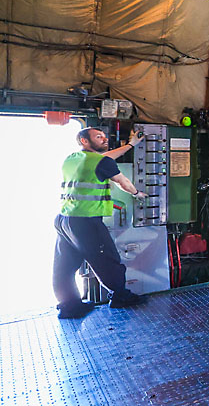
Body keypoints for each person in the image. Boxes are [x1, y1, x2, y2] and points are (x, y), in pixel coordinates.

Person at [54, 127, 147, 318]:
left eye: (104, 136)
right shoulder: (100, 162)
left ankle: (69, 306)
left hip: (64, 220)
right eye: (98, 137)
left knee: (65, 265)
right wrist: (137, 194)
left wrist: (131, 145)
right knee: (108, 259)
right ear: (84, 140)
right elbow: (123, 182)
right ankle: (120, 296)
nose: (104, 139)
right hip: (86, 222)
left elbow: (106, 157)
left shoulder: (72, 158)